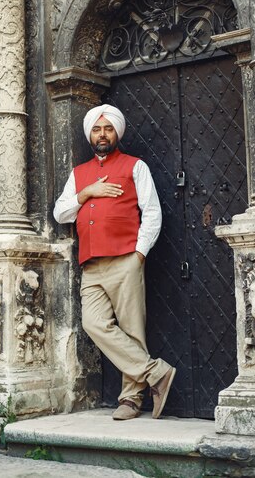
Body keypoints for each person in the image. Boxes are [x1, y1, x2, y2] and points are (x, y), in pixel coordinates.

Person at [54, 104, 176, 420]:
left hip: (125, 259)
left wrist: (139, 254)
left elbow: (152, 213)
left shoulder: (135, 166)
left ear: (117, 133)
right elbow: (60, 213)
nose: (103, 134)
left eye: (108, 128)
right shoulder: (78, 174)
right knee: (92, 323)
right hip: (91, 265)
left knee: (132, 328)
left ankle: (131, 400)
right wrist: (87, 193)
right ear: (90, 134)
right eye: (97, 128)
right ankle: (156, 373)